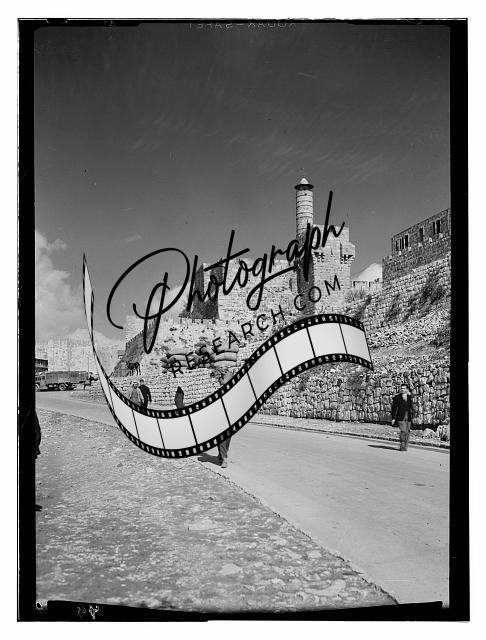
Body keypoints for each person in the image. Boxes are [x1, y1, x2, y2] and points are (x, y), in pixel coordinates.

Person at [391, 383, 413, 451]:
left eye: (404, 388)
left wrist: (413, 416)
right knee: (403, 431)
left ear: (407, 389)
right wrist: (393, 418)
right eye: (401, 388)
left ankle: (406, 446)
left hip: (408, 417)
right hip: (400, 417)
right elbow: (394, 408)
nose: (402, 389)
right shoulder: (397, 397)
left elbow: (411, 408)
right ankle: (402, 446)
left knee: (407, 431)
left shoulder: (409, 397)